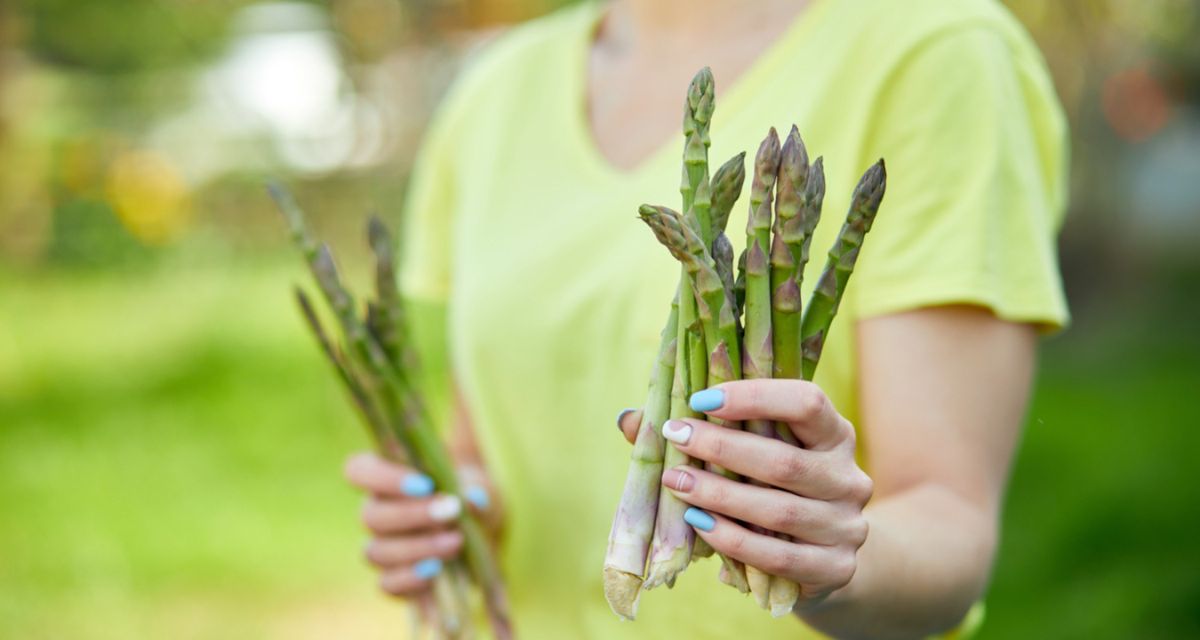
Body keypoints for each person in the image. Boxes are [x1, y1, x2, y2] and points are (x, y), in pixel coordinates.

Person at [342, 0, 1069, 637]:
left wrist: (821, 558)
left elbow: (949, 530)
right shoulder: (493, 90)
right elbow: (484, 450)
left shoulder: (938, 50)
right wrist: (451, 511)